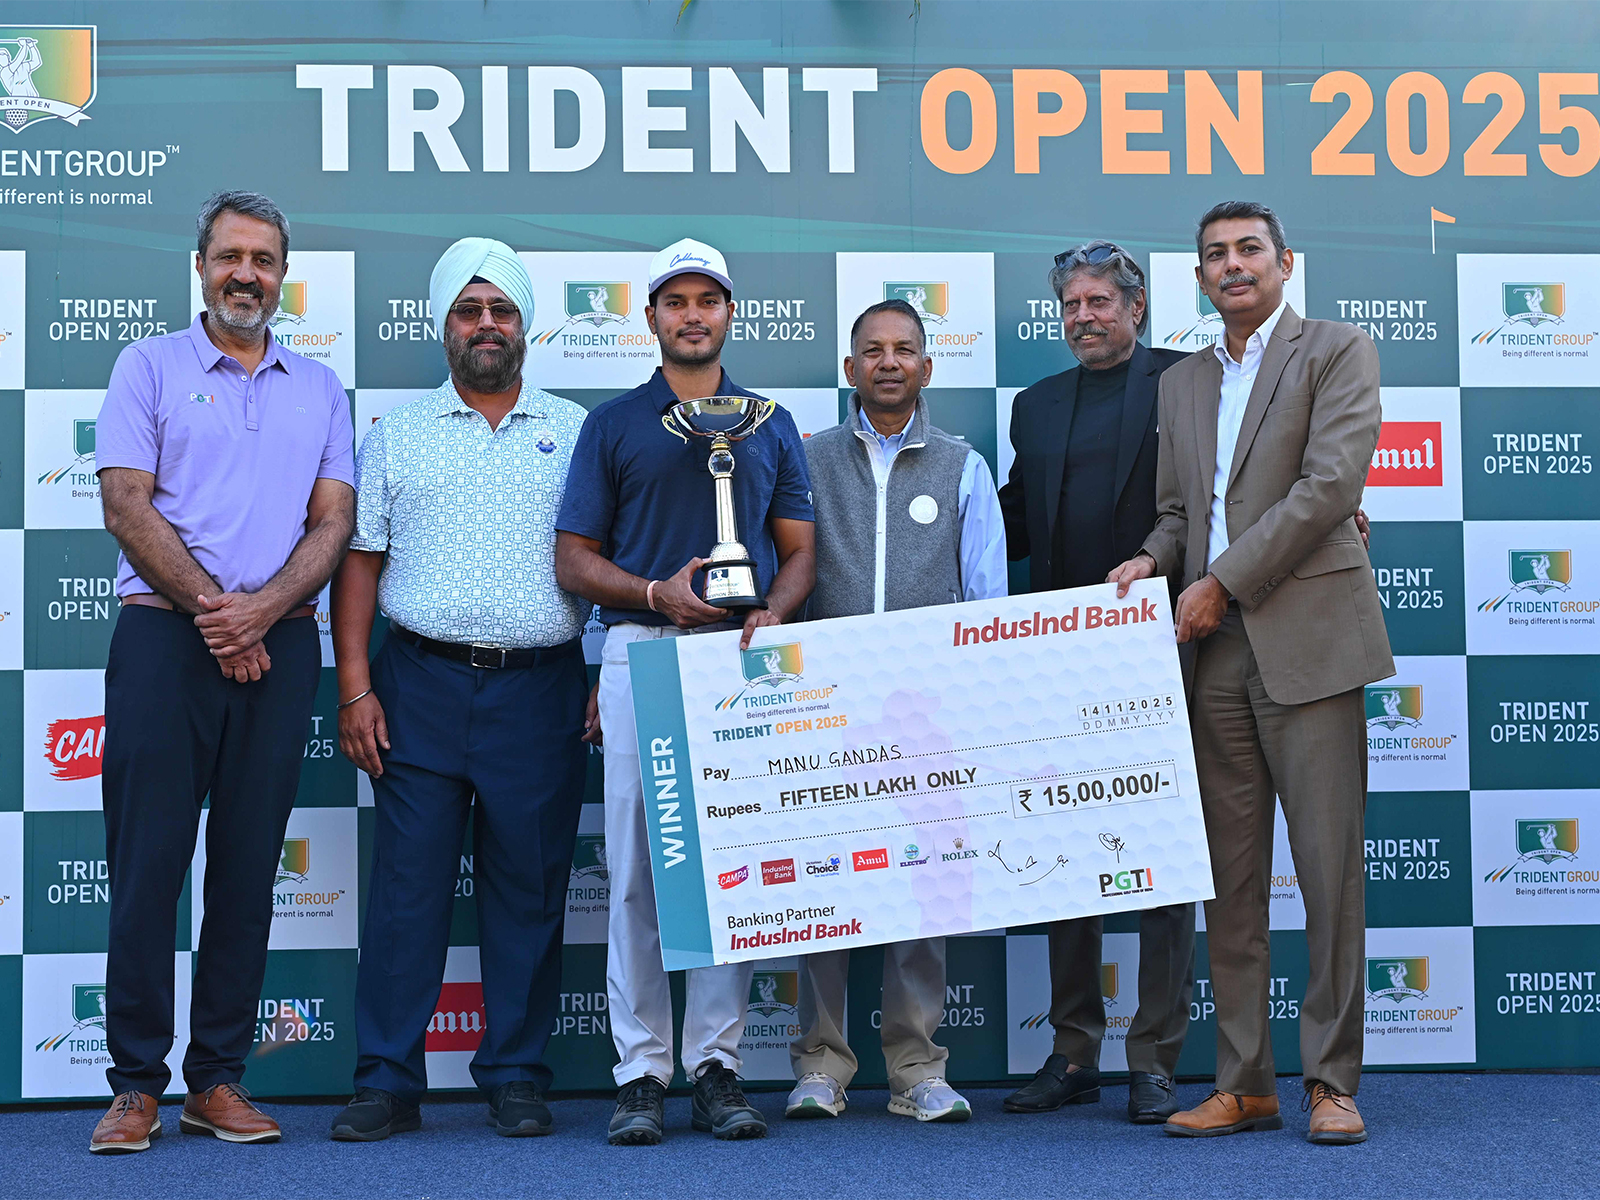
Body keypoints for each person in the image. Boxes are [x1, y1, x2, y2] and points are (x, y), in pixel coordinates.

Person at [1107, 200, 1392, 1145]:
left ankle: (1331, 1082)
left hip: (1306, 638)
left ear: (1284, 262)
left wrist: (1219, 581)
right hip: (1213, 656)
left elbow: (1329, 489)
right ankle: (1246, 1082)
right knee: (1230, 882)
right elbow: (1182, 511)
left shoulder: (1338, 349)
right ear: (1198, 277)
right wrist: (1154, 559)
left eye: (1248, 250)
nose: (1232, 266)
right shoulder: (1181, 382)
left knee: (1327, 875)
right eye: (1214, 256)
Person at [90, 191, 355, 1153]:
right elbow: (125, 502)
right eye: (231, 256)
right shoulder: (147, 365)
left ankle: (218, 1080)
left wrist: (261, 615)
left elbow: (332, 524)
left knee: (247, 869)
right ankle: (133, 1087)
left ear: (284, 274)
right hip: (169, 641)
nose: (248, 273)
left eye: (266, 259)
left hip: (279, 646)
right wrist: (221, 613)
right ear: (200, 266)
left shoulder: (321, 386)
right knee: (147, 866)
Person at [327, 239, 590, 1141]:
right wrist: (356, 688)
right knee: (407, 893)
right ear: (444, 327)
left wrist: (602, 670)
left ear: (526, 326)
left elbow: (600, 563)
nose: (487, 326)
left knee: (529, 889)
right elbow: (360, 567)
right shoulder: (394, 434)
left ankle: (515, 1072)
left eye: (502, 311)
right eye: (470, 311)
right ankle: (387, 1079)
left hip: (541, 689)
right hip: (420, 685)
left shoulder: (576, 430)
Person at [554, 237, 816, 1145]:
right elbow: (574, 560)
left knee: (728, 872)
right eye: (676, 302)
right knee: (631, 871)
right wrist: (654, 595)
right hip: (640, 653)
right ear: (653, 318)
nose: (693, 314)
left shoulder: (769, 421)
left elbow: (799, 549)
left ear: (729, 314)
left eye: (709, 300)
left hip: (738, 663)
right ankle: (639, 1072)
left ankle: (717, 1065)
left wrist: (774, 613)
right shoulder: (614, 424)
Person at [785, 298, 1005, 1125]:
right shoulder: (803, 461)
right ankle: (821, 1066)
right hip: (825, 715)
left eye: (903, 349)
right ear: (849, 369)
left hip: (925, 715)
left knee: (922, 893)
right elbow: (786, 587)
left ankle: (916, 1068)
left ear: (925, 366)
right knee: (821, 891)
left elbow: (986, 601)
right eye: (871, 351)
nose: (887, 362)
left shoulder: (962, 465)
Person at [997, 242, 1195, 1125]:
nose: (1084, 316)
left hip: (1169, 651)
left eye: (1099, 302)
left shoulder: (1191, 382)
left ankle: (1155, 1059)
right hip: (1055, 666)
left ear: (1137, 305)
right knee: (1064, 864)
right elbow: (1008, 523)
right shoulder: (1034, 408)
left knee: (1159, 863)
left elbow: (1221, 501)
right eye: (1072, 304)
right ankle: (1073, 1050)